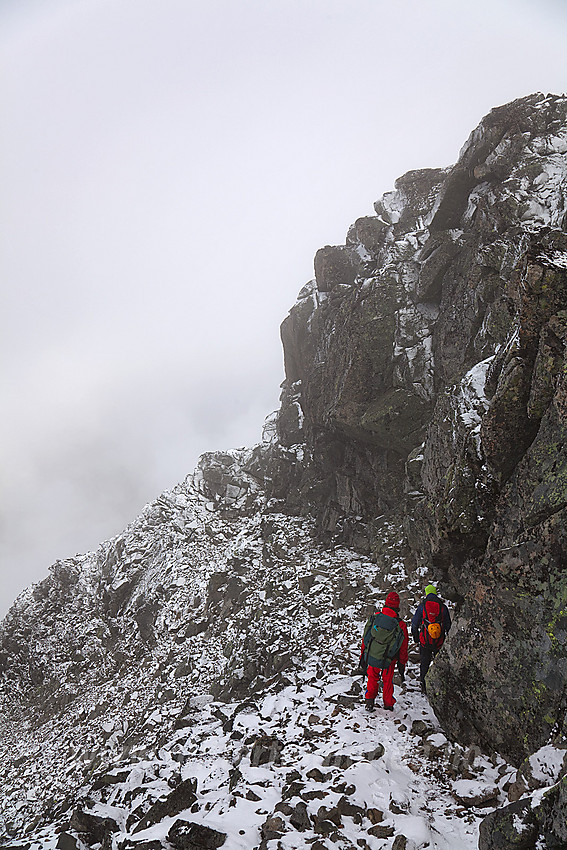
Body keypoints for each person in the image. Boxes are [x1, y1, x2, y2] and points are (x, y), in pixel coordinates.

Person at [359, 591, 409, 712]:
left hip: (373, 654)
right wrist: (402, 663)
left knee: (372, 677)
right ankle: (388, 704)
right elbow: (403, 647)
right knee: (387, 680)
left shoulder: (376, 617)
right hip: (389, 658)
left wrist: (363, 655)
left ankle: (369, 701)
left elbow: (366, 637)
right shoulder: (400, 625)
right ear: (397, 606)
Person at [411, 584, 451, 693]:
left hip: (425, 641)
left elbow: (414, 624)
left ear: (427, 593)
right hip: (439, 641)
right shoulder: (443, 607)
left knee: (425, 663)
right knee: (440, 663)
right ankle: (441, 686)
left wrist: (416, 638)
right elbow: (448, 626)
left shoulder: (422, 606)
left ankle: (424, 686)